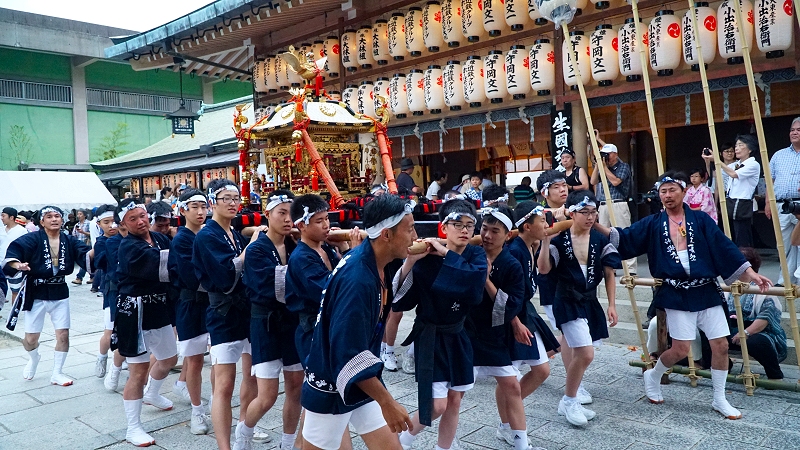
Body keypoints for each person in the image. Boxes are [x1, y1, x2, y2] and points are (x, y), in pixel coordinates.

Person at [594, 171, 771, 420]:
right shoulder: (653, 223)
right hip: (675, 292)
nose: (667, 196)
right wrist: (594, 224)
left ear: (684, 190)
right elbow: (625, 237)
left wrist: (751, 274)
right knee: (679, 349)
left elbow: (724, 247)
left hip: (706, 290)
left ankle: (719, 398)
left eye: (672, 190)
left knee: (720, 344)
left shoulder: (700, 220)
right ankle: (653, 375)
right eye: (663, 191)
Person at [301, 194, 415, 450]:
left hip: (362, 379)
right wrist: (387, 401)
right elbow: (347, 351)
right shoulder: (358, 279)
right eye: (409, 229)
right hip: (332, 382)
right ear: (386, 234)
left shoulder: (376, 262)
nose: (415, 236)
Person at [393, 199, 487, 450]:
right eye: (458, 224)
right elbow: (399, 300)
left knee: (455, 399)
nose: (465, 230)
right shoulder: (425, 258)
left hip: (459, 333)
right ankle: (401, 441)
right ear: (444, 228)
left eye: (470, 225)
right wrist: (411, 262)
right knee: (437, 405)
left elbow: (475, 289)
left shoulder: (475, 254)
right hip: (431, 337)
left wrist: (446, 254)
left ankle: (443, 447)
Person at [537, 191, 620, 427]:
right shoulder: (559, 239)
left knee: (580, 349)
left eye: (593, 212)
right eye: (584, 212)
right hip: (565, 298)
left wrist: (612, 304)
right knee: (585, 352)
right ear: (571, 212)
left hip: (589, 299)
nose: (590, 217)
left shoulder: (600, 239)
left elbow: (609, 273)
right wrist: (544, 241)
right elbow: (543, 270)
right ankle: (569, 399)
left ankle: (570, 397)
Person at [286, 194, 361, 450]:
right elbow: (330, 291)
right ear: (302, 225)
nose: (326, 225)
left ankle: (300, 445)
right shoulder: (301, 258)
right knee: (324, 396)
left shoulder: (326, 247)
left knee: (323, 400)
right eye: (319, 221)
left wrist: (342, 251)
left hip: (327, 331)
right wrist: (353, 253)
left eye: (327, 218)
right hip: (312, 334)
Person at [193, 179, 263, 450]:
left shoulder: (233, 231)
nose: (233, 203)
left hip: (246, 310)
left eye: (236, 198)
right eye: (226, 198)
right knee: (224, 383)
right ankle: (224, 445)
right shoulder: (206, 235)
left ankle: (245, 428)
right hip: (223, 312)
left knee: (253, 375)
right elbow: (225, 275)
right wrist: (252, 247)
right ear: (214, 202)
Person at [241, 191, 305, 450]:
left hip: (293, 323)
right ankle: (243, 433)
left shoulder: (295, 245)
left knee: (295, 387)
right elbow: (267, 285)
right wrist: (301, 271)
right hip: (265, 324)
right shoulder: (257, 249)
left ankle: (287, 443)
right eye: (282, 212)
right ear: (268, 215)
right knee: (267, 395)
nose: (288, 219)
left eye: (292, 213)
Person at [466, 206, 535, 445]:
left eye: (495, 231)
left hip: (495, 335)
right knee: (453, 396)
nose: (487, 236)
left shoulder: (511, 264)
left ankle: (521, 443)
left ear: (508, 236)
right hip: (468, 332)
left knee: (512, 387)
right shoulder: (470, 254)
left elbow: (511, 306)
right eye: (484, 229)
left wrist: (485, 279)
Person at [1, 205, 93, 386]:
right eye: (49, 216)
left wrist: (101, 245)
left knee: (63, 334)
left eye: (57, 216)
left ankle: (57, 373)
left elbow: (85, 254)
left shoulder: (69, 240)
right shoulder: (32, 239)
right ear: (42, 222)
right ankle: (34, 358)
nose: (54, 219)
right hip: (36, 292)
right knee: (30, 339)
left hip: (60, 291)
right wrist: (17, 264)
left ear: (62, 219)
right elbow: (13, 253)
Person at [114, 198, 178, 446]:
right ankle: (133, 427)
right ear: (124, 224)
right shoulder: (128, 246)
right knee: (138, 372)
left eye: (143, 216)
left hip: (159, 307)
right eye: (133, 219)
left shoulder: (159, 238)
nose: (141, 221)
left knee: (169, 358)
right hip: (135, 311)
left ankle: (152, 393)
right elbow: (166, 267)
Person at [504, 201, 560, 443]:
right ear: (527, 226)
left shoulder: (528, 246)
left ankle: (506, 419)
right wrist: (514, 320)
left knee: (540, 370)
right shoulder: (515, 251)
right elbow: (503, 293)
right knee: (509, 375)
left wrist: (542, 243)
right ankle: (508, 424)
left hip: (525, 312)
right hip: (513, 315)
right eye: (542, 222)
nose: (546, 225)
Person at [167, 189, 212, 435]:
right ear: (183, 210)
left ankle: (215, 404)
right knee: (194, 360)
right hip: (191, 304)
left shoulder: (211, 233)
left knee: (217, 358)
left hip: (214, 303)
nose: (200, 211)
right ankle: (197, 411)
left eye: (203, 206)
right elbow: (190, 275)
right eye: (194, 206)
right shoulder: (181, 239)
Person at [728, 247, 787, 380]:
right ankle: (723, 366)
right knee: (712, 334)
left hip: (762, 333)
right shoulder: (729, 286)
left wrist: (745, 333)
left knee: (757, 341)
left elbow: (765, 318)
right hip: (733, 328)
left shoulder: (764, 288)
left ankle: (775, 373)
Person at [704, 135, 761, 247]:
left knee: (742, 235)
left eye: (740, 145)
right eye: (736, 145)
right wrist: (708, 161)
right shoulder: (735, 164)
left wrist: (717, 159)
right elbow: (716, 175)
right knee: (734, 233)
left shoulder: (753, 164)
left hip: (742, 203)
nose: (736, 148)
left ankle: (746, 259)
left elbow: (734, 174)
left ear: (750, 149)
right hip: (731, 201)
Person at [590, 140, 636, 274]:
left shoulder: (623, 166)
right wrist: (598, 166)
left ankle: (630, 269)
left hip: (618, 203)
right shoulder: (603, 167)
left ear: (615, 154)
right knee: (604, 236)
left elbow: (616, 182)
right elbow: (593, 181)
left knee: (625, 235)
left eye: (607, 155)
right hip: (603, 205)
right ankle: (609, 267)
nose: (605, 158)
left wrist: (604, 168)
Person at [765, 118, 800, 286]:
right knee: (784, 245)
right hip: (782, 205)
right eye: (792, 129)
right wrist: (767, 203)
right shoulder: (779, 155)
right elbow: (770, 181)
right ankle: (785, 280)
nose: (794, 132)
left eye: (799, 130)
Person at [92, 204, 119, 379]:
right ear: (99, 224)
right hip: (111, 289)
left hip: (128, 288)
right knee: (109, 330)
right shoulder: (101, 242)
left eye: (113, 221)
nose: (111, 226)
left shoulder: (126, 238)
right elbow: (100, 264)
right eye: (106, 222)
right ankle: (102, 357)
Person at [103, 208, 129, 392]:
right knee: (123, 333)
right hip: (120, 290)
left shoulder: (148, 238)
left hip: (146, 292)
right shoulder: (112, 242)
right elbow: (115, 269)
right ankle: (115, 369)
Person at [1, 207, 28, 305]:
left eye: (3, 216)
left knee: (15, 290)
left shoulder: (21, 231)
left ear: (11, 217)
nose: (1, 218)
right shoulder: (1, 230)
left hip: (14, 265)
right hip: (0, 263)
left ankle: (14, 312)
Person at [71, 209, 91, 285]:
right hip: (79, 245)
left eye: (80, 214)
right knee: (84, 261)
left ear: (85, 215)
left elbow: (91, 233)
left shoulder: (89, 223)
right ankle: (93, 276)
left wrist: (83, 232)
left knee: (85, 261)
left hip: (87, 244)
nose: (78, 216)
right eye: (78, 214)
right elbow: (74, 235)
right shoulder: (77, 225)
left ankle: (79, 277)